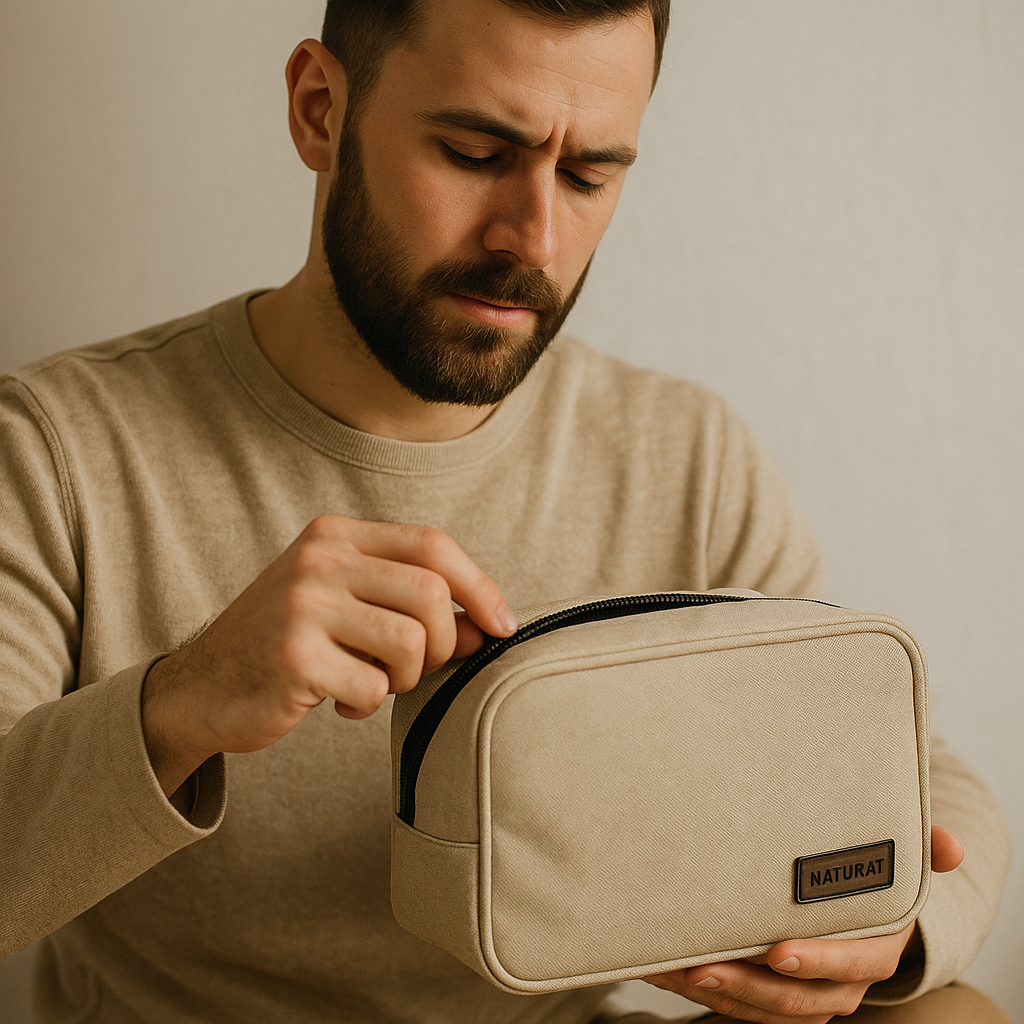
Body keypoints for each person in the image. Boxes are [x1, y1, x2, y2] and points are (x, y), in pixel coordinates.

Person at [0, 1, 1010, 1022]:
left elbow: (926, 787)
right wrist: (184, 699)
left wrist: (892, 939)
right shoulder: (56, 448)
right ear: (319, 110)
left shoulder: (684, 457)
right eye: (476, 151)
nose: (531, 236)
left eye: (588, 176)